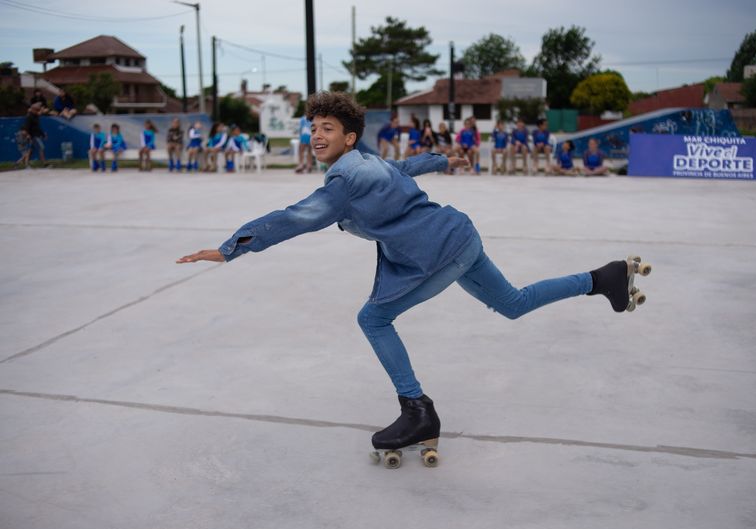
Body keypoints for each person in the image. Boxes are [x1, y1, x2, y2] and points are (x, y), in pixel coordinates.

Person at [176, 91, 639, 461]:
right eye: (313, 128)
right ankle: (603, 278)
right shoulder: (368, 163)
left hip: (435, 252)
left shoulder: (343, 181)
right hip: (459, 235)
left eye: (328, 129)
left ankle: (417, 410)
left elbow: (297, 217)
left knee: (373, 319)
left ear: (349, 137)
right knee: (513, 303)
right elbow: (403, 166)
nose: (317, 135)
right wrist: (444, 160)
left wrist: (230, 248)